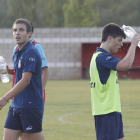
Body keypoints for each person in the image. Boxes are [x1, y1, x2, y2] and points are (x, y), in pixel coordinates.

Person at [89, 23, 140, 140]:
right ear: (110, 39)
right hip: (106, 113)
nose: (121, 44)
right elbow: (126, 65)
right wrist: (133, 45)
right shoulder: (101, 57)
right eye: (120, 40)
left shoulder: (102, 57)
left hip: (112, 112)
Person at [0, 18, 45, 140]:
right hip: (16, 105)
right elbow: (19, 72)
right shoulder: (17, 51)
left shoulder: (31, 52)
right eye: (15, 30)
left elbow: (26, 80)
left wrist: (4, 98)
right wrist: (7, 71)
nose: (17, 33)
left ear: (29, 33)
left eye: (21, 30)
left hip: (30, 106)